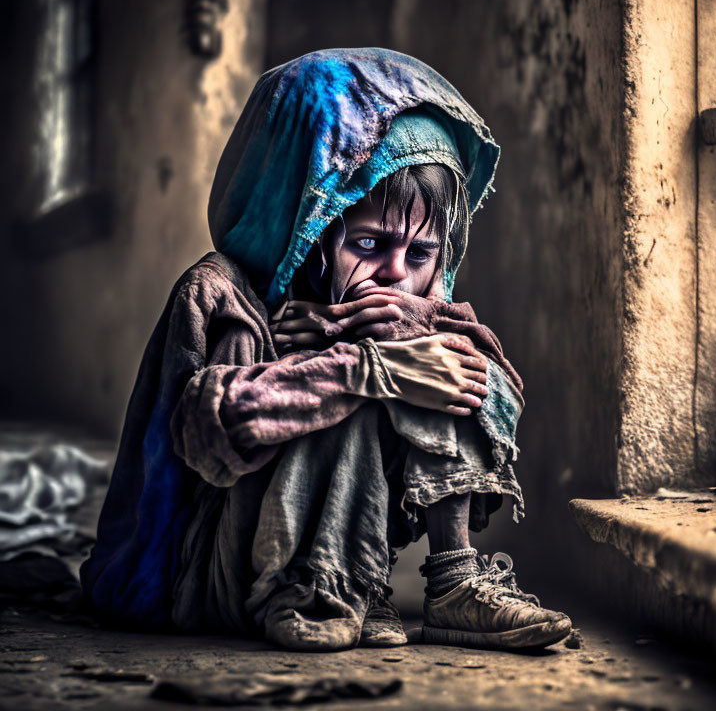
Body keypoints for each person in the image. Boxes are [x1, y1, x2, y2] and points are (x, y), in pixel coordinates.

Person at [81, 48, 572, 651]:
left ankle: (450, 581)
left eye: (420, 256)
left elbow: (496, 387)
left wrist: (405, 328)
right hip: (209, 573)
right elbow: (215, 438)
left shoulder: (404, 304)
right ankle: (316, 584)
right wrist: (369, 368)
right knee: (371, 380)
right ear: (309, 223)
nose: (396, 273)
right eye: (367, 243)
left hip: (346, 563)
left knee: (434, 354)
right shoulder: (220, 292)